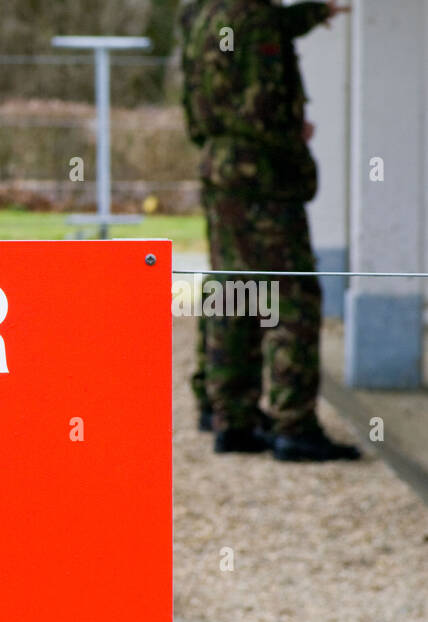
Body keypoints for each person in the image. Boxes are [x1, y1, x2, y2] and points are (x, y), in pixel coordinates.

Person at [180, 0, 359, 461]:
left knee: (233, 288)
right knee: (290, 295)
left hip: (222, 170)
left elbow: (269, 27)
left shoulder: (203, 13)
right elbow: (265, 102)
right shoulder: (251, 17)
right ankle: (292, 424)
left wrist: (318, 12)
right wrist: (293, 134)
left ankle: (228, 415)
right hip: (262, 176)